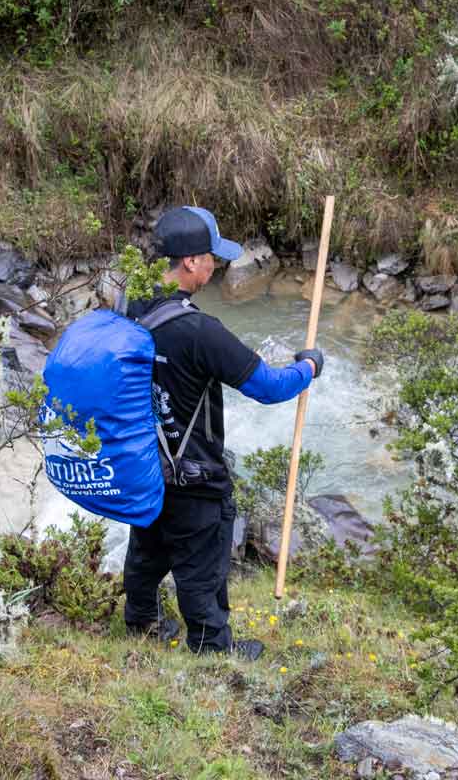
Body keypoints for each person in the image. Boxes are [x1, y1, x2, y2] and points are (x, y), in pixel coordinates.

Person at [123, 206, 324, 660]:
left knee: (147, 547)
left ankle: (141, 621)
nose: (217, 265)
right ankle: (212, 649)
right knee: (201, 565)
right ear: (191, 261)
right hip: (194, 474)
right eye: (212, 255)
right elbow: (269, 389)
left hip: (147, 463)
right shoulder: (200, 331)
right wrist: (308, 367)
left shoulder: (132, 306)